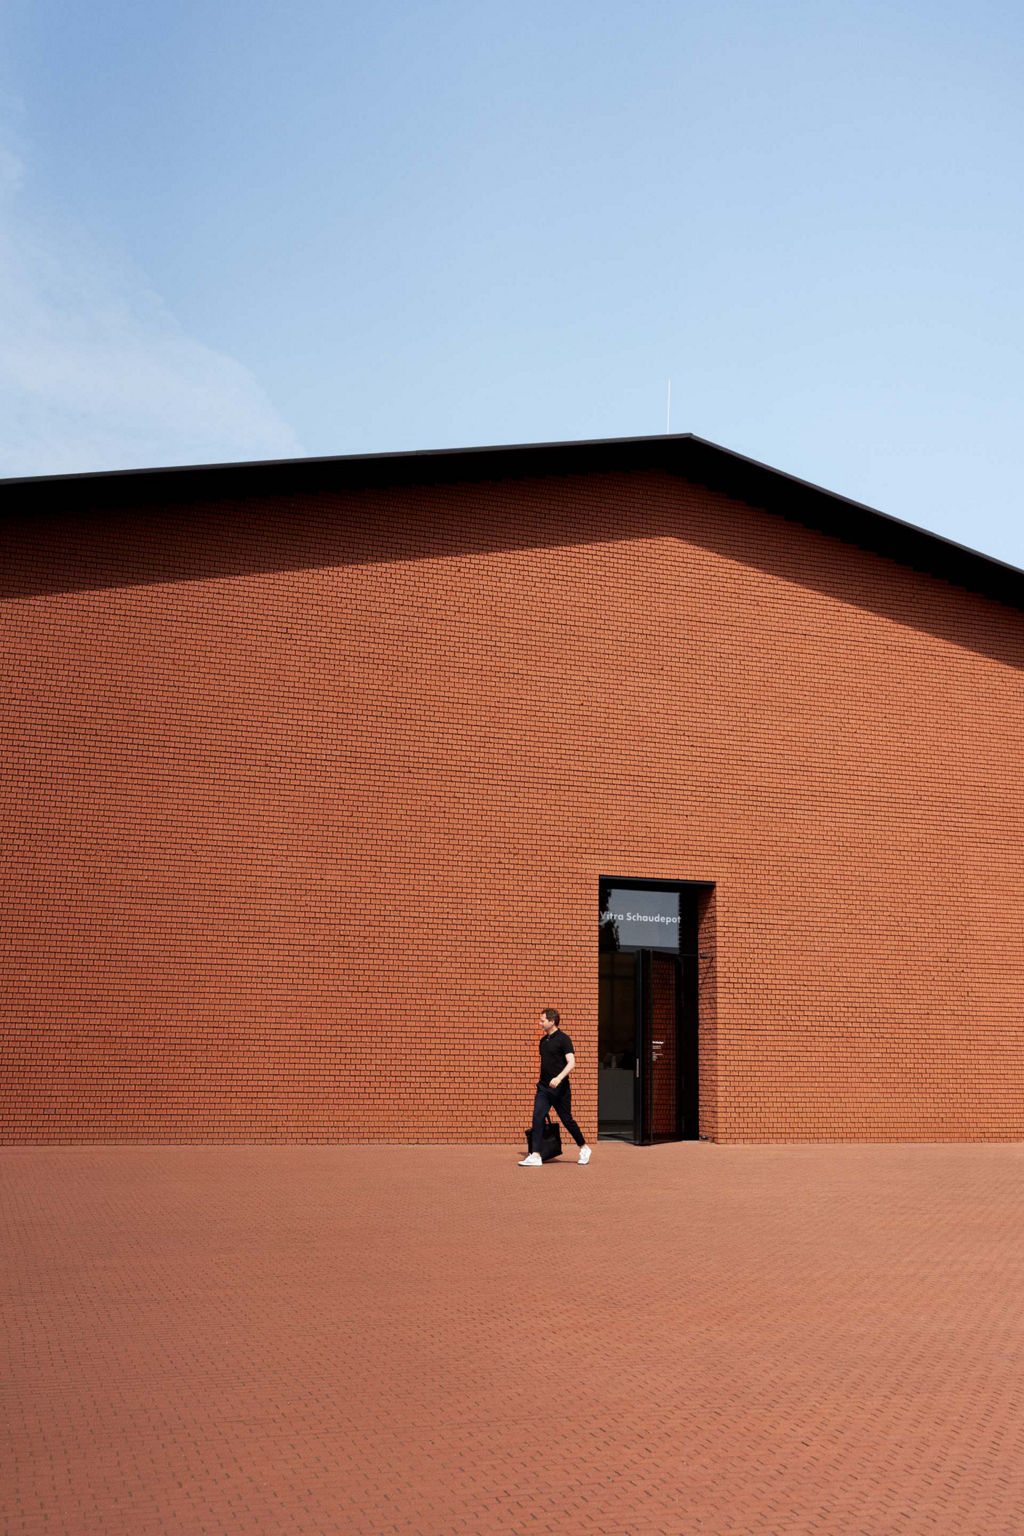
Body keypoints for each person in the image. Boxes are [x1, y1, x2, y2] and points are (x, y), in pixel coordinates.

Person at [518, 1008, 592, 1166]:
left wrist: (558, 1078)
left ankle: (584, 1147)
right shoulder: (543, 1042)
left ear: (552, 1022)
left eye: (542, 1020)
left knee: (567, 1120)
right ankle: (536, 1155)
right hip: (543, 1088)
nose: (540, 1023)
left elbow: (572, 1063)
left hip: (560, 1089)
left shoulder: (564, 1039)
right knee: (537, 1117)